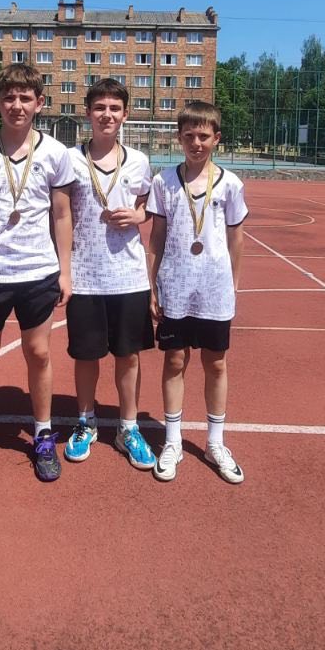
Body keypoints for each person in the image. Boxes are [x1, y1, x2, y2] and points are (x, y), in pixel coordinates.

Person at [0, 63, 74, 483]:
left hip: (37, 271)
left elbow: (62, 215)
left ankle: (42, 434)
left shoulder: (56, 153)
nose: (17, 105)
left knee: (38, 353)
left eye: (25, 98)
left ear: (39, 103)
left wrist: (65, 271)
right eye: (9, 97)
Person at [146, 101, 246, 485]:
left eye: (204, 136)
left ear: (216, 138)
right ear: (179, 138)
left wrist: (233, 284)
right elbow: (156, 237)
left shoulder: (231, 184)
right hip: (175, 285)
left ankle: (215, 442)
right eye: (189, 135)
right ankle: (172, 441)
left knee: (216, 363)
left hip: (215, 288)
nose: (196, 143)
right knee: (175, 360)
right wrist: (152, 286)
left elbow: (236, 238)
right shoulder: (164, 182)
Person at [62, 79, 156, 469]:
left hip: (128, 276)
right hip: (84, 275)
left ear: (125, 114)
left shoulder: (139, 161)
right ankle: (86, 422)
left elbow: (147, 206)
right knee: (86, 356)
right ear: (88, 113)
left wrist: (138, 215)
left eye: (115, 108)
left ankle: (128, 427)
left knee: (128, 355)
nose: (107, 114)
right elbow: (60, 214)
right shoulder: (69, 159)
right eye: (100, 107)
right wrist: (63, 270)